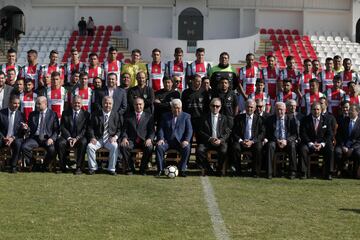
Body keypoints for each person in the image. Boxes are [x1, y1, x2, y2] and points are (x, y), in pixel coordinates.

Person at [156, 99, 193, 177]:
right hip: (167, 142)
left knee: (187, 147)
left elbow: (189, 130)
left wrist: (186, 140)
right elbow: (161, 129)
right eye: (175, 108)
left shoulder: (186, 116)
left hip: (180, 142)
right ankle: (161, 169)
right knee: (159, 147)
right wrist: (161, 139)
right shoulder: (165, 116)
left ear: (181, 108)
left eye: (179, 108)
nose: (177, 110)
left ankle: (182, 170)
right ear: (171, 108)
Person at [22, 96, 59, 171]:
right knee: (24, 147)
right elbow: (30, 128)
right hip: (35, 138)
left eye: (39, 104)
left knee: (52, 149)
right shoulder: (32, 114)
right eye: (36, 104)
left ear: (45, 103)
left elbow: (57, 129)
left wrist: (52, 138)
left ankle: (44, 165)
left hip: (47, 138)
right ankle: (34, 164)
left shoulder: (53, 114)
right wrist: (26, 128)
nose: (37, 106)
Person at [87, 96, 121, 175]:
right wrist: (92, 137)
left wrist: (115, 137)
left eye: (109, 103)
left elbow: (119, 129)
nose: (107, 105)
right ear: (102, 103)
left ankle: (111, 169)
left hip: (110, 139)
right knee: (90, 146)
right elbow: (90, 128)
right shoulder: (95, 114)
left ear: (112, 105)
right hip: (98, 139)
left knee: (115, 146)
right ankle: (93, 168)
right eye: (106, 103)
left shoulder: (116, 115)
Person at [196, 98, 231, 176]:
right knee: (200, 150)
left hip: (220, 142)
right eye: (213, 106)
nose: (215, 108)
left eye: (217, 106)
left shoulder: (224, 118)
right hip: (207, 142)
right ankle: (208, 168)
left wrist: (221, 140)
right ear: (210, 106)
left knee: (224, 150)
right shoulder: (204, 117)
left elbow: (227, 132)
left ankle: (219, 169)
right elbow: (200, 131)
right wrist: (210, 138)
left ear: (220, 107)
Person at [120, 97, 155, 175]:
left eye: (140, 104)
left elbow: (152, 131)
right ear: (133, 105)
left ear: (143, 105)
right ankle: (130, 169)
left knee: (149, 148)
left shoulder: (149, 116)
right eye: (136, 104)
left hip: (144, 140)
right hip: (131, 140)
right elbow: (124, 130)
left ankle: (142, 169)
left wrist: (149, 139)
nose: (138, 106)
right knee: (123, 146)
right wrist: (124, 138)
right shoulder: (128, 116)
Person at [300, 102, 334, 180]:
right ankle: (304, 173)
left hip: (322, 145)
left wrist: (322, 144)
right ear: (311, 110)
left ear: (321, 110)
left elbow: (329, 134)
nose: (316, 111)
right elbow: (303, 134)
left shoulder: (326, 120)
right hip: (309, 144)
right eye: (314, 109)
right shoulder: (305, 120)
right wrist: (311, 144)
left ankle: (329, 173)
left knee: (330, 149)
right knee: (303, 149)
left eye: (318, 109)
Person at [56, 95, 90, 174]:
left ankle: (79, 167)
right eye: (75, 103)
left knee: (84, 142)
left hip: (79, 137)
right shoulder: (65, 113)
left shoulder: (86, 114)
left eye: (78, 103)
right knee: (60, 142)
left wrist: (77, 138)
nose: (77, 104)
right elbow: (62, 127)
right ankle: (62, 167)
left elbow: (85, 129)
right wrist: (69, 138)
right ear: (72, 103)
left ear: (81, 104)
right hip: (67, 137)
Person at [264, 102, 298, 179]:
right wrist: (277, 140)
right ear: (275, 110)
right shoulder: (270, 119)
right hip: (275, 141)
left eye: (282, 110)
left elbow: (295, 134)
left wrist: (286, 140)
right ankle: (269, 172)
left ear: (285, 110)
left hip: (287, 142)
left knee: (292, 146)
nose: (280, 112)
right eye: (278, 110)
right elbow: (268, 134)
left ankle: (292, 172)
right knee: (270, 145)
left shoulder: (291, 119)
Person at [232, 99, 265, 177]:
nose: (249, 109)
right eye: (248, 107)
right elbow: (234, 132)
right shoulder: (238, 118)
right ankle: (238, 171)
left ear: (254, 108)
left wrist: (252, 141)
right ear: (245, 107)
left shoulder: (260, 119)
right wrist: (241, 141)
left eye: (251, 107)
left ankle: (255, 172)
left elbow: (262, 133)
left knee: (259, 147)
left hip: (254, 142)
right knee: (235, 147)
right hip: (242, 142)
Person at [0, 95, 26, 173]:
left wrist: (13, 137)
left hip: (15, 138)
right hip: (3, 137)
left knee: (18, 143)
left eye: (18, 103)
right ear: (9, 103)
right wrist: (3, 137)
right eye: (15, 103)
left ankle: (13, 166)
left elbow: (21, 132)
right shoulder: (1, 113)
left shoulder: (21, 115)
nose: (17, 105)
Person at [335, 104, 360, 178]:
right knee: (337, 151)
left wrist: (352, 148)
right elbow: (339, 135)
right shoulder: (344, 120)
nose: (349, 112)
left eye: (352, 110)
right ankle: (341, 171)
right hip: (344, 145)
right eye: (349, 110)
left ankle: (355, 172)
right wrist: (343, 146)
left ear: (357, 112)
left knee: (358, 153)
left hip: (356, 146)